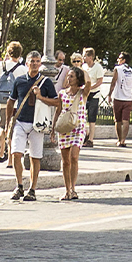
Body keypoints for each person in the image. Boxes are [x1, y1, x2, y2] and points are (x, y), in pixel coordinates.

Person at [7, 50, 60, 203]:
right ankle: (19, 185)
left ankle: (32, 188)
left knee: (34, 157)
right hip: (20, 121)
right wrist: (8, 121)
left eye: (38, 61)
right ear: (27, 63)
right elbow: (11, 101)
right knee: (16, 153)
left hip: (37, 124)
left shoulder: (46, 82)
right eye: (33, 61)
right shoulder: (19, 81)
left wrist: (41, 97)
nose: (35, 64)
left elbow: (56, 102)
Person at [57, 66, 88, 200]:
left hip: (78, 128)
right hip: (65, 129)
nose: (68, 79)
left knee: (74, 157)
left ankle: (74, 188)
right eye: (68, 76)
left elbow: (89, 82)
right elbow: (58, 111)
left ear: (77, 79)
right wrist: (53, 129)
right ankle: (67, 189)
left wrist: (81, 66)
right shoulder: (62, 93)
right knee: (65, 161)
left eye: (71, 76)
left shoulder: (82, 93)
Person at [109, 51, 132, 147]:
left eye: (120, 58)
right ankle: (123, 140)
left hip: (118, 97)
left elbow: (113, 82)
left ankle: (119, 139)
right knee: (126, 120)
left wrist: (109, 94)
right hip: (128, 98)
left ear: (124, 60)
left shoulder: (117, 69)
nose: (118, 60)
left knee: (118, 120)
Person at [81, 48, 106, 148]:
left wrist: (90, 87)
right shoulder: (84, 67)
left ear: (90, 57)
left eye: (85, 56)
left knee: (92, 117)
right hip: (85, 94)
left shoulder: (98, 67)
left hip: (94, 94)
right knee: (82, 115)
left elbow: (100, 81)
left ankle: (91, 139)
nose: (83, 58)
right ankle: (85, 134)